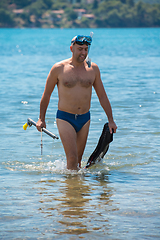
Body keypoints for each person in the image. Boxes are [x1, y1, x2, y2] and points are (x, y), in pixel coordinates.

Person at [36, 35, 117, 170]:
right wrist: (41, 118)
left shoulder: (93, 69)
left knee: (78, 163)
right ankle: (70, 189)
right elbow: (47, 95)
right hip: (65, 118)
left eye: (86, 49)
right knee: (72, 158)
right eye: (80, 49)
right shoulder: (59, 68)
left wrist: (111, 120)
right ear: (71, 48)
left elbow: (102, 96)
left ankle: (76, 189)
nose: (83, 53)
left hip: (85, 119)